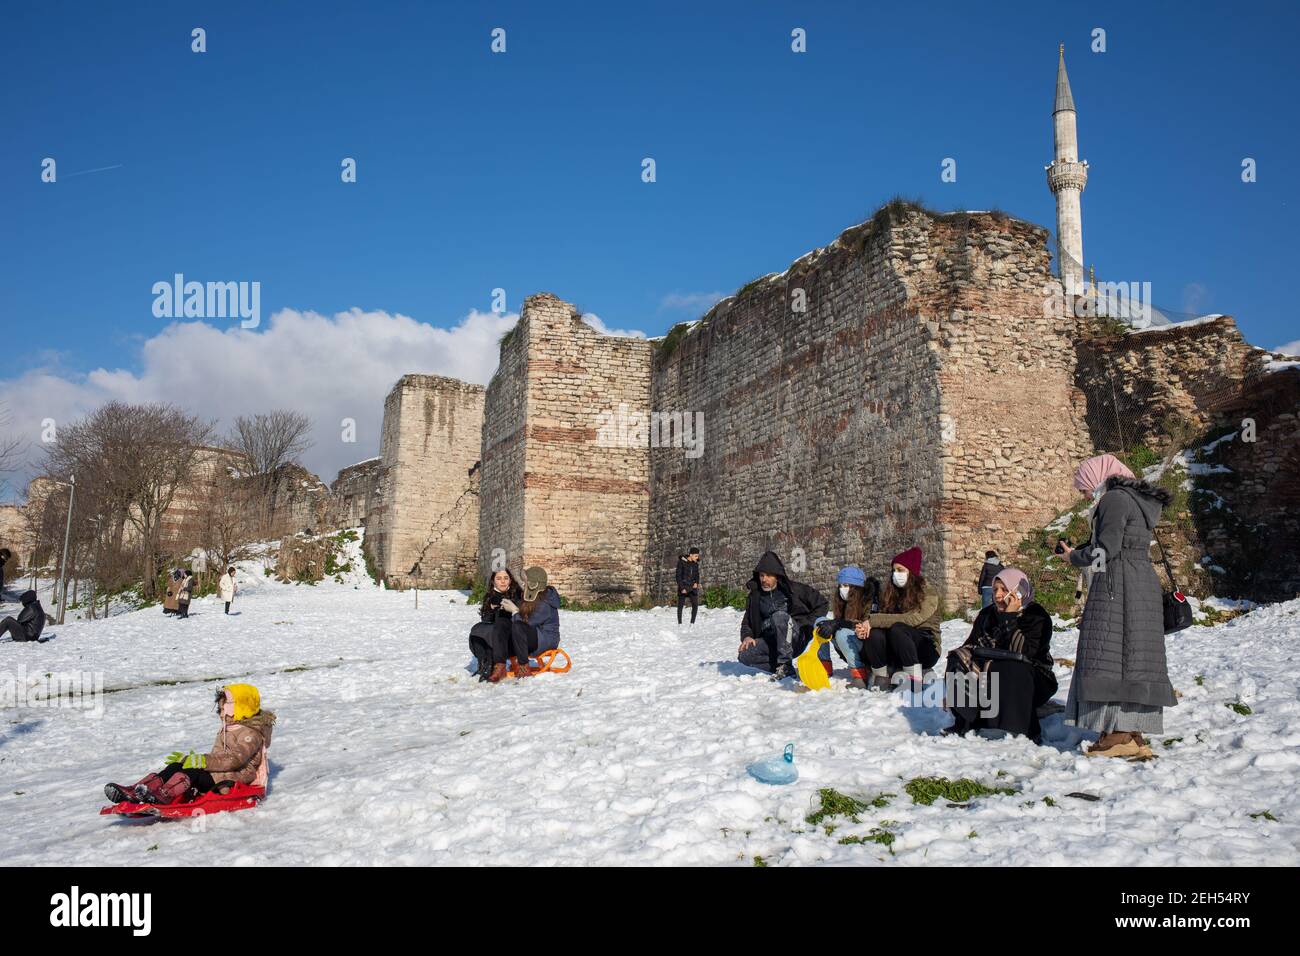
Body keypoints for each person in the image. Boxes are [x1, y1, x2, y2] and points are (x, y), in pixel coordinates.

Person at [1059, 454, 1176, 760]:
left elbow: (1106, 550)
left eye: (1084, 487)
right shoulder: (1136, 499)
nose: (1084, 494)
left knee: (1109, 655)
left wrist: (1073, 558)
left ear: (1099, 477)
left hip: (1117, 584)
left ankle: (1117, 735)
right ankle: (1130, 731)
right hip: (1140, 582)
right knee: (1133, 656)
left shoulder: (1113, 498)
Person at [103, 683, 276, 806]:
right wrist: (191, 759)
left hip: (234, 778)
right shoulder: (230, 728)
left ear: (241, 708)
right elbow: (219, 758)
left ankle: (163, 796)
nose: (221, 713)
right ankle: (139, 790)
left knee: (192, 771)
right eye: (221, 709)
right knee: (179, 765)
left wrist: (201, 761)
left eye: (225, 709)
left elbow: (234, 760)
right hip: (221, 773)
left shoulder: (250, 734)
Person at [945, 568, 1058, 743]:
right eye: (996, 589)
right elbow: (971, 644)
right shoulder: (987, 614)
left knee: (1009, 666)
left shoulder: (1037, 616)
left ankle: (1015, 728)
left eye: (1004, 589)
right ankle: (966, 721)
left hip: (1032, 679)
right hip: (990, 675)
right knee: (958, 659)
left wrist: (1010, 618)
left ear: (1019, 591)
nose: (997, 595)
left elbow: (1027, 652)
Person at [854, 547, 941, 691]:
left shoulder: (928, 593)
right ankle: (881, 677)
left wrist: (873, 620)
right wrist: (864, 628)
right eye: (894, 571)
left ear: (911, 572)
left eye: (900, 570)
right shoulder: (890, 593)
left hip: (925, 647)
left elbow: (913, 619)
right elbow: (880, 619)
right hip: (897, 648)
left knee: (898, 629)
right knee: (874, 632)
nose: (896, 574)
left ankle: (914, 680)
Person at [737, 551, 828, 680]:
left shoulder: (795, 590)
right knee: (745, 654)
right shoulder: (755, 596)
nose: (764, 579)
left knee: (779, 616)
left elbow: (822, 604)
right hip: (772, 642)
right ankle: (783, 668)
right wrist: (747, 636)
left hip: (795, 638)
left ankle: (785, 664)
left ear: (777, 576)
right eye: (762, 575)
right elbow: (747, 622)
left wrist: (806, 625)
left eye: (768, 576)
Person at [815, 566, 878, 689]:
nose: (842, 589)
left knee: (842, 633)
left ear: (856, 588)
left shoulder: (868, 601)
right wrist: (834, 623)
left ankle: (859, 675)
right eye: (841, 585)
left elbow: (865, 624)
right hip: (847, 646)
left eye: (846, 585)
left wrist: (838, 623)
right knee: (820, 622)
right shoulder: (842, 602)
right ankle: (824, 666)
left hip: (864, 646)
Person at [469, 569, 522, 683]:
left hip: (511, 636)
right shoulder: (490, 596)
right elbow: (486, 619)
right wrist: (492, 610)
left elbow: (519, 617)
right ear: (493, 581)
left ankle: (490, 665)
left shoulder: (517, 593)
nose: (503, 581)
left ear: (510, 580)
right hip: (495, 632)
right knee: (476, 630)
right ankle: (484, 664)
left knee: (491, 631)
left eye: (506, 578)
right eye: (499, 578)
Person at [508, 566, 561, 679]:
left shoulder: (545, 602)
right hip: (535, 636)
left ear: (534, 584)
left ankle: (524, 667)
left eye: (525, 582)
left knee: (518, 627)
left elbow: (527, 624)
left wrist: (514, 612)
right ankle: (496, 662)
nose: (523, 585)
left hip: (546, 640)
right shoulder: (531, 597)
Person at [676, 547, 702, 625]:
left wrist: (697, 583)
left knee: (695, 604)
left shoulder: (695, 564)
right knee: (680, 605)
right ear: (690, 555)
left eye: (697, 556)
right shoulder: (681, 562)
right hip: (683, 586)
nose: (697, 558)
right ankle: (680, 623)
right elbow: (678, 576)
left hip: (692, 587)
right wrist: (682, 587)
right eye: (695, 556)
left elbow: (697, 575)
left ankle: (692, 623)